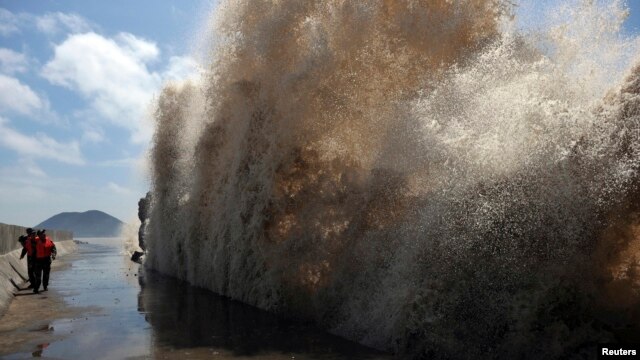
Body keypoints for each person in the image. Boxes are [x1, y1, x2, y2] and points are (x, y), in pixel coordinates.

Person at [32, 229, 56, 294]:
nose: (44, 234)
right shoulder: (35, 241)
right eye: (42, 233)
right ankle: (36, 288)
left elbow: (53, 248)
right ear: (39, 235)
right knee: (38, 277)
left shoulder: (49, 240)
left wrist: (53, 254)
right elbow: (32, 251)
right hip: (38, 261)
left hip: (47, 260)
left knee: (46, 275)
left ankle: (45, 286)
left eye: (44, 233)